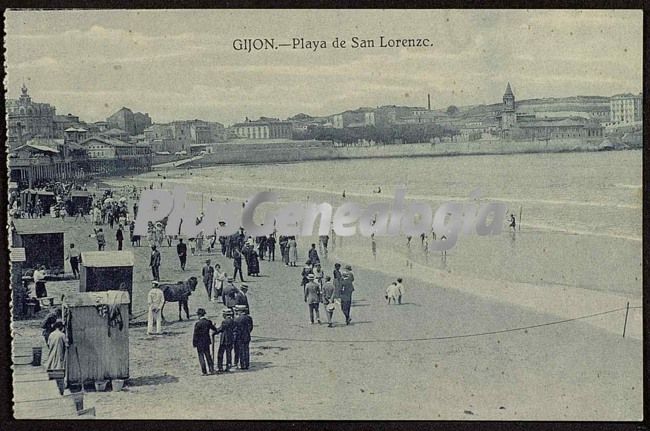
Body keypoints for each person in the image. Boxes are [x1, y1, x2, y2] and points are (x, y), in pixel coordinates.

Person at [192, 308, 217, 375]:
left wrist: (194, 343)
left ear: (199, 315)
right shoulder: (208, 322)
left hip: (199, 342)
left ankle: (204, 371)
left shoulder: (198, 324)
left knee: (201, 357)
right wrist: (214, 326)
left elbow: (195, 334)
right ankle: (211, 370)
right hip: (206, 341)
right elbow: (214, 329)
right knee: (208, 355)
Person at [214, 308, 235, 373]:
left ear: (225, 315)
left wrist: (214, 330)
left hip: (224, 340)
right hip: (231, 339)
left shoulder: (225, 321)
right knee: (229, 353)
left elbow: (220, 329)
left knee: (220, 354)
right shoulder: (233, 321)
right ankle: (228, 366)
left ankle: (220, 367)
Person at [233, 305, 253, 370]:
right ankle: (247, 364)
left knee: (241, 351)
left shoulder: (237, 319)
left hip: (240, 337)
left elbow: (235, 328)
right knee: (246, 350)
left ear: (240, 311)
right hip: (247, 336)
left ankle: (242, 365)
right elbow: (251, 327)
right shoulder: (249, 318)